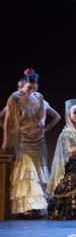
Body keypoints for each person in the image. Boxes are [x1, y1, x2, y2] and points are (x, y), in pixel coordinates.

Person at [1, 68, 60, 218]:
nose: (31, 91)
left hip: (38, 139)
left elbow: (43, 113)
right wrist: (6, 139)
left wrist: (43, 124)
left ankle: (38, 207)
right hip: (23, 139)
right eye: (29, 87)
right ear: (25, 84)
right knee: (27, 171)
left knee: (38, 173)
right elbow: (7, 119)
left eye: (34, 88)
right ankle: (26, 207)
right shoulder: (14, 97)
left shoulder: (39, 96)